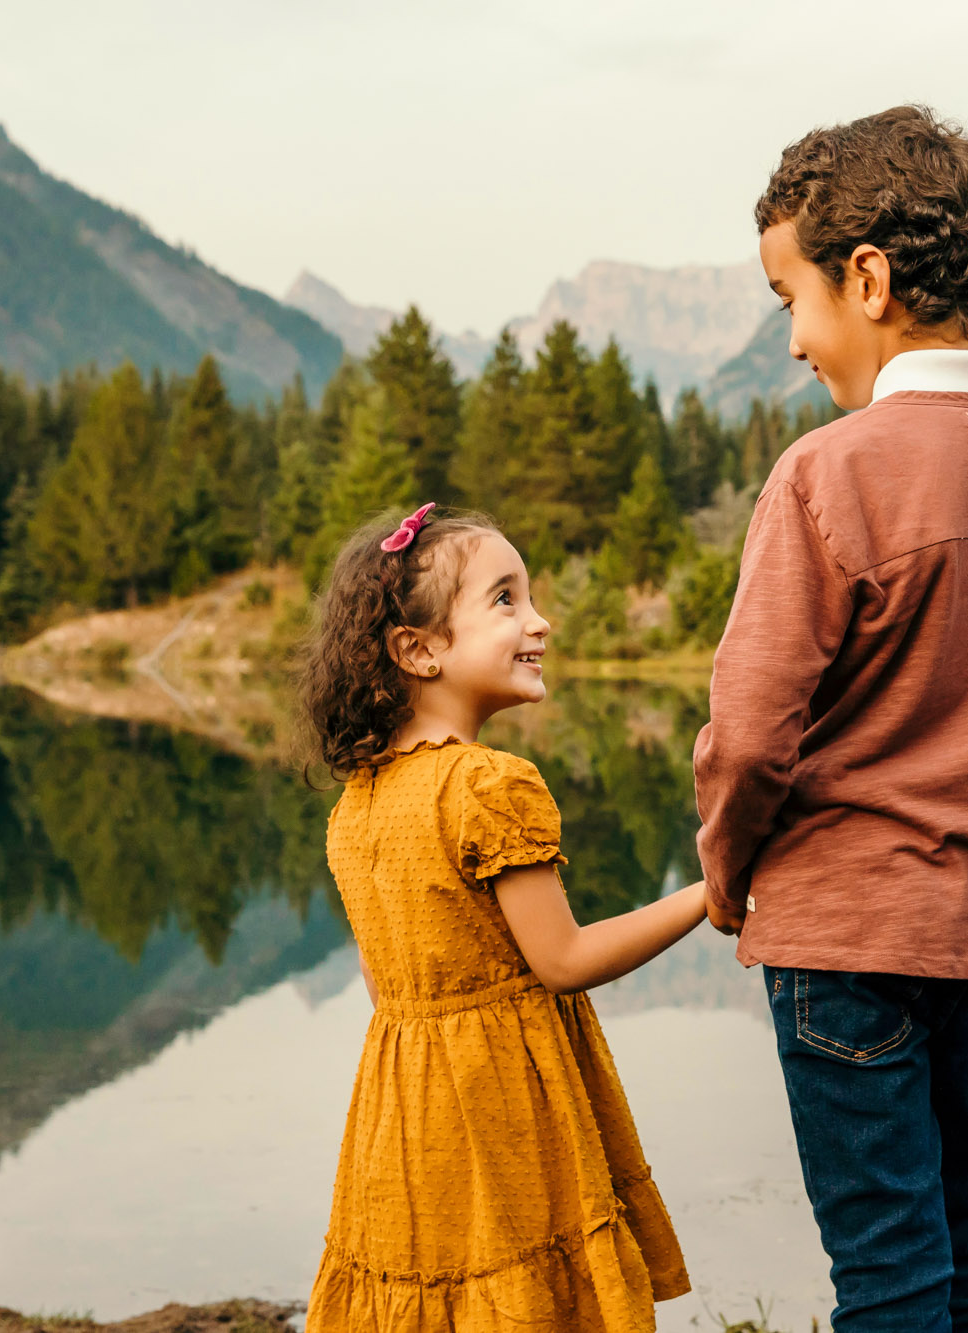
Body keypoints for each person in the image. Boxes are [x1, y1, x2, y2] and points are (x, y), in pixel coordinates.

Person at [693, 106, 968, 1333]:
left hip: (843, 939)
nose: (791, 343)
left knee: (888, 1266)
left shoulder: (828, 473)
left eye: (791, 298)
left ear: (870, 281)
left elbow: (748, 730)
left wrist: (731, 877)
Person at [299, 503, 698, 1333]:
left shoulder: (356, 805)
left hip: (404, 1122)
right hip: (507, 1110)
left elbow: (385, 986)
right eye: (506, 599)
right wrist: (709, 896)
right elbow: (564, 959)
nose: (539, 620)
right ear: (419, 649)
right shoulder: (486, 784)